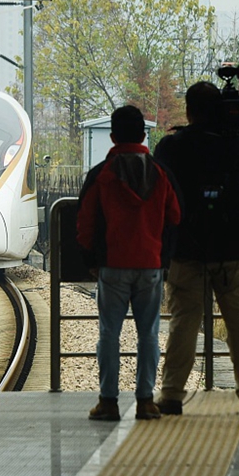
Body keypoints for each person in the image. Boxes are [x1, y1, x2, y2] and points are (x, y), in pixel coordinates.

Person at [154, 81, 239, 416]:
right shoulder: (236, 143)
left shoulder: (172, 146)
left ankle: (172, 394)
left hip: (187, 246)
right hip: (235, 246)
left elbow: (160, 186)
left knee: (184, 322)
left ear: (188, 110)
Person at [76, 104, 181, 422]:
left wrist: (91, 259)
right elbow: (175, 216)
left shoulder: (102, 174)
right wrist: (163, 257)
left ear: (112, 137)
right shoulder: (160, 173)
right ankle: (145, 401)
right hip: (150, 265)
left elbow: (85, 223)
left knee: (109, 334)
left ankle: (108, 402)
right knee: (148, 335)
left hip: (112, 265)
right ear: (143, 136)